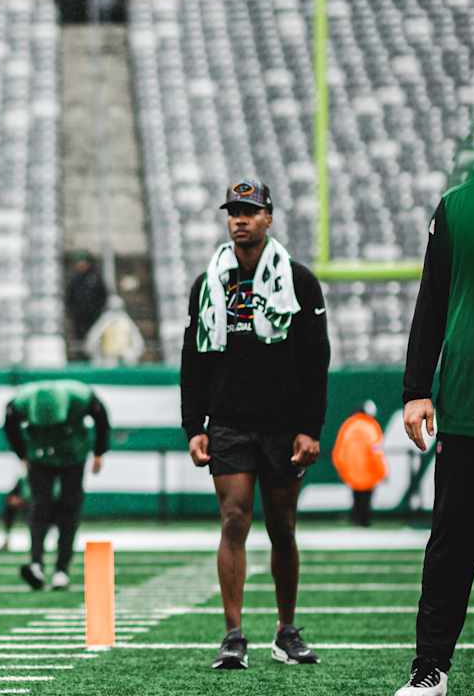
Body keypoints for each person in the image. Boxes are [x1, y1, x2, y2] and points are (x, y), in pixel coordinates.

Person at [180, 178, 330, 670]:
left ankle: (286, 630)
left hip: (282, 424)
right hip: (227, 422)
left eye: (249, 210)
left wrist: (311, 427)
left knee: (283, 526)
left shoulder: (299, 280)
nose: (239, 219)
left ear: (269, 217)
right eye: (233, 211)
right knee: (234, 519)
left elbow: (315, 360)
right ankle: (233, 634)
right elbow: (193, 359)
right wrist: (193, 426)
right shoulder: (209, 283)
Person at [396, 107, 474, 696]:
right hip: (467, 405)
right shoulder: (457, 207)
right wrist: (414, 389)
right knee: (452, 550)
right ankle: (430, 668)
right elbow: (431, 301)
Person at [3, 379, 109, 591]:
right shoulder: (20, 403)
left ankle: (62, 569)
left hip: (73, 453)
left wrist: (99, 451)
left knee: (69, 509)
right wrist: (22, 454)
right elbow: (9, 425)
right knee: (39, 507)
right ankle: (36, 564)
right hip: (39, 454)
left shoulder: (81, 397)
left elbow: (101, 418)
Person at [331, 401, 385, 528]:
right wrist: (381, 470)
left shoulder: (349, 425)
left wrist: (341, 467)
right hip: (369, 470)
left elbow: (339, 450)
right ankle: (364, 519)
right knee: (366, 497)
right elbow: (376, 450)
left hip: (351, 470)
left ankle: (356, 518)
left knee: (356, 495)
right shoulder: (371, 426)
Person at [66, 252, 107, 346]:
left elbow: (103, 295)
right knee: (80, 339)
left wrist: (97, 310)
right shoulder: (75, 279)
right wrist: (73, 311)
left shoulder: (95, 278)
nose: (80, 265)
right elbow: (70, 297)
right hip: (79, 317)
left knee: (94, 338)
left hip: (94, 316)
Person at [0, 474, 31, 553]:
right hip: (26, 504)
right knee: (8, 506)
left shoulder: (44, 477)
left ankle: (38, 542)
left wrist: (24, 500)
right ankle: (7, 539)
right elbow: (12, 494)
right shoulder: (22, 480)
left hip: (39, 505)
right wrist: (13, 499)